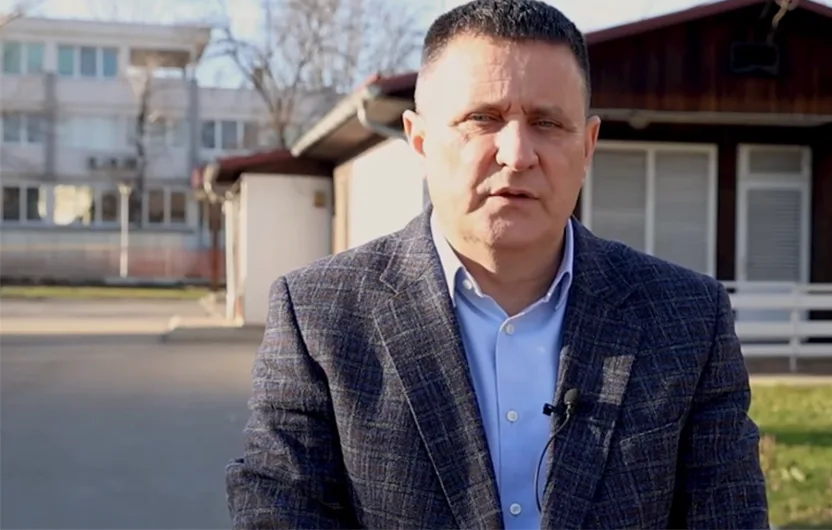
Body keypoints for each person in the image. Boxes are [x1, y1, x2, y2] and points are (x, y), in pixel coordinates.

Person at [225, 0, 769, 528]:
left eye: (547, 123)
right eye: (482, 119)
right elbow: (279, 512)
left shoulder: (687, 318)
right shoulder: (320, 317)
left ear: (588, 146)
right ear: (420, 140)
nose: (517, 154)